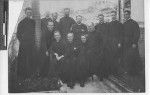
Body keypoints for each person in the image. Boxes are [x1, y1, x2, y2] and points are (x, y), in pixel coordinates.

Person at [16, 7, 35, 80]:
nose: (29, 14)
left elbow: (34, 33)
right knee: (23, 59)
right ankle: (22, 76)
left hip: (31, 44)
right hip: (23, 44)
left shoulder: (33, 22)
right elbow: (18, 34)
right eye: (28, 12)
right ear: (25, 13)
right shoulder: (21, 22)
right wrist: (23, 41)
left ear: (31, 13)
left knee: (30, 59)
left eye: (30, 13)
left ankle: (30, 75)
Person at [122, 10, 143, 76]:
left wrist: (134, 43)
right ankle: (128, 71)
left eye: (127, 14)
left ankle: (136, 71)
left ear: (129, 15)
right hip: (126, 44)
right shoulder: (124, 24)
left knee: (134, 57)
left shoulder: (134, 23)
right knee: (127, 57)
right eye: (125, 15)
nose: (126, 16)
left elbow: (137, 33)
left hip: (132, 44)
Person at [107, 11, 124, 75]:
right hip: (111, 42)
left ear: (116, 15)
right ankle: (112, 70)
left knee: (116, 57)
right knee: (111, 56)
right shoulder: (109, 24)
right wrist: (108, 42)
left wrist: (119, 42)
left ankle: (116, 71)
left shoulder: (119, 24)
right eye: (112, 15)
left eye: (114, 15)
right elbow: (108, 34)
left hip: (117, 42)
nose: (113, 16)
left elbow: (121, 34)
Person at [94, 14, 108, 81]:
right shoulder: (96, 26)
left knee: (105, 60)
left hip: (105, 45)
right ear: (98, 19)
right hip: (98, 46)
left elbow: (108, 35)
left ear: (103, 18)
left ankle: (105, 73)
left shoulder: (106, 25)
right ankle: (99, 74)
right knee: (98, 60)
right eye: (99, 18)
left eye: (102, 18)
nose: (101, 19)